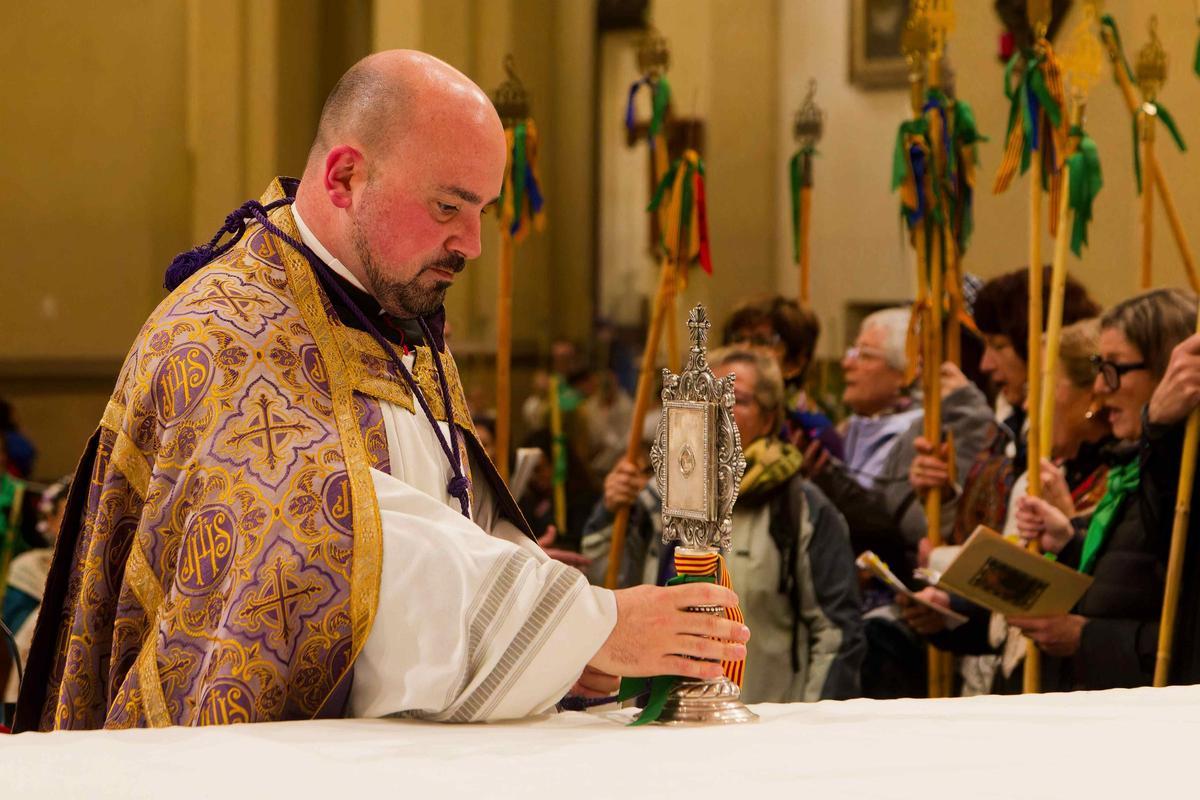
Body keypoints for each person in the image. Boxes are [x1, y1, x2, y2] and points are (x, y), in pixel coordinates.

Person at [16, 51, 748, 731]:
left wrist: (547, 646)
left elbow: (442, 511)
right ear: (343, 178)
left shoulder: (393, 311)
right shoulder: (225, 330)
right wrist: (588, 625)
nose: (472, 243)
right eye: (447, 208)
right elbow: (328, 538)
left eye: (483, 211)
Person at [584, 346, 864, 703]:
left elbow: (836, 635)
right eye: (707, 395)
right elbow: (604, 594)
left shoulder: (800, 508)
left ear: (768, 418)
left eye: (736, 398)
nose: (718, 408)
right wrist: (610, 513)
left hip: (759, 726)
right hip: (656, 725)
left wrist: (808, 729)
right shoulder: (657, 498)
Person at [900, 319, 1113, 693]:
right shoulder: (1041, 471)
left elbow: (1116, 600)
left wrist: (1072, 531)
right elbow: (1009, 612)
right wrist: (949, 612)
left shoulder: (1125, 480)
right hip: (1014, 683)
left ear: (1091, 396)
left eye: (1043, 387)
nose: (1029, 403)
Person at [723, 295, 842, 459]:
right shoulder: (717, 411)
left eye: (762, 341)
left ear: (795, 363)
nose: (744, 349)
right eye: (738, 339)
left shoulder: (812, 435)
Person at [2, 476, 70, 724]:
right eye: (67, 513)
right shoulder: (29, 566)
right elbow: (15, 631)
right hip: (41, 673)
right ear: (50, 521)